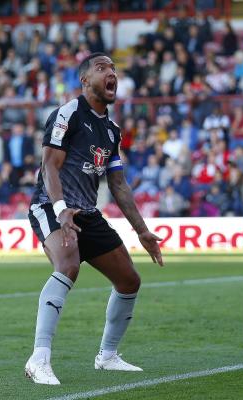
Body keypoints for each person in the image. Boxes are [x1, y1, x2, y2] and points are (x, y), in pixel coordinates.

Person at [25, 53, 164, 385]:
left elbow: (117, 183)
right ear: (85, 80)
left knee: (130, 280)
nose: (111, 73)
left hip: (87, 213)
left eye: (114, 68)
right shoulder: (68, 114)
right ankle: (39, 358)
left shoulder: (112, 131)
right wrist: (60, 209)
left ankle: (107, 356)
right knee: (68, 264)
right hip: (51, 206)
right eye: (102, 68)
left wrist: (142, 231)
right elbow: (50, 166)